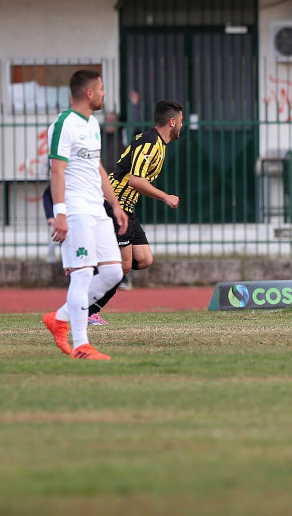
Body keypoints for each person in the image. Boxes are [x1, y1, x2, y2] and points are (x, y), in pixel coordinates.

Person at [41, 70, 128, 361]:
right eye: (101, 89)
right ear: (89, 93)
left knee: (114, 273)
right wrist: (60, 213)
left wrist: (114, 204)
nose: (104, 94)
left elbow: (97, 167)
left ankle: (60, 317)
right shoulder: (64, 124)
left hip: (96, 209)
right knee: (82, 274)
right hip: (76, 210)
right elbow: (56, 171)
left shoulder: (92, 124)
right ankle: (81, 344)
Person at [86, 100, 185, 322]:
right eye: (181, 121)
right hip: (114, 205)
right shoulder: (150, 143)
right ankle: (89, 310)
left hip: (126, 208)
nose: (182, 125)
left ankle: (98, 270)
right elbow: (135, 180)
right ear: (172, 122)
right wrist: (165, 196)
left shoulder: (157, 143)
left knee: (144, 259)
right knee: (123, 266)